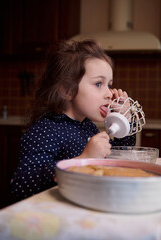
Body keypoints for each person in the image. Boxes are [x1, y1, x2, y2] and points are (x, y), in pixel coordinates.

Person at [11, 40, 136, 201]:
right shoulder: (45, 130)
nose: (109, 93)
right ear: (67, 90)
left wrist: (123, 121)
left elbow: (118, 158)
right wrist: (82, 160)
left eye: (109, 84)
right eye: (98, 83)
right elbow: (23, 184)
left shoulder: (87, 127)